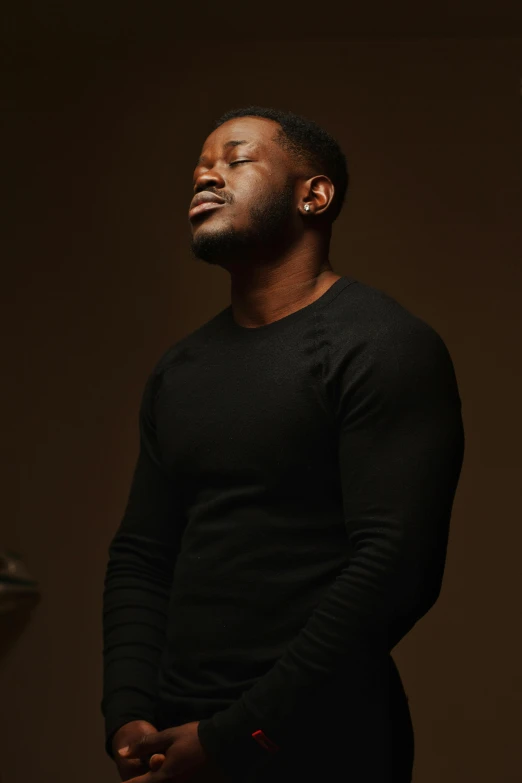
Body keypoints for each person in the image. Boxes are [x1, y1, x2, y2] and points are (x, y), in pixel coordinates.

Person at [101, 105, 465, 783]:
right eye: (200, 168)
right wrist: (126, 711)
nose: (207, 176)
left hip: (317, 736)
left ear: (314, 195)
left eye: (236, 160)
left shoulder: (383, 346)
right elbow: (142, 554)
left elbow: (394, 567)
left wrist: (242, 732)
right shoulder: (180, 369)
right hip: (175, 737)